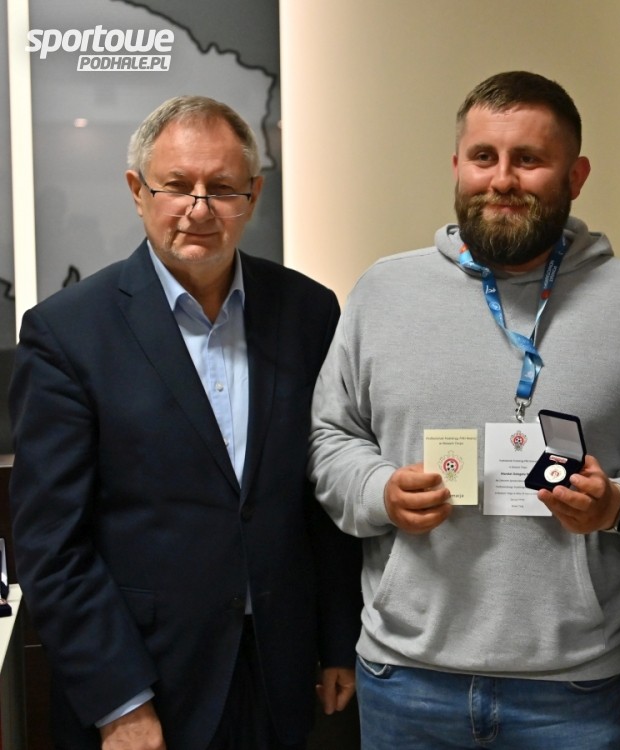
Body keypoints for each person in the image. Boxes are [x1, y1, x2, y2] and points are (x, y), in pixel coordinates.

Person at [308, 70, 620, 749]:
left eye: (528, 159)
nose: (502, 179)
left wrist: (618, 505)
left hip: (577, 693)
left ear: (576, 175)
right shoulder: (383, 292)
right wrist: (379, 491)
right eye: (483, 157)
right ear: (456, 166)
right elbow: (332, 439)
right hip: (407, 682)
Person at [8, 96, 362, 750]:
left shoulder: (309, 312)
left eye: (222, 188)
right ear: (137, 191)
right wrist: (120, 701)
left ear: (253, 195)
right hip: (146, 683)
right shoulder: (68, 333)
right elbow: (50, 544)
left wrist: (339, 639)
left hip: (280, 673)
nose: (199, 209)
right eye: (177, 186)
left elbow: (320, 494)